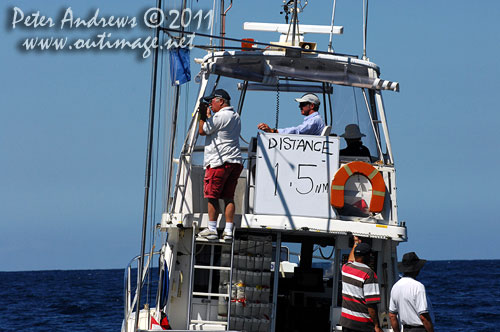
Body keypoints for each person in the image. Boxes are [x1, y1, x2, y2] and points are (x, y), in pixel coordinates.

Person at [197, 89, 243, 241]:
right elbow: (217, 127)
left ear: (221, 101)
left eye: (212, 101)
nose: (210, 104)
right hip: (234, 161)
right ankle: (228, 230)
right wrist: (211, 117)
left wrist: (202, 116)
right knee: (228, 197)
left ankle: (212, 229)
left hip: (219, 162)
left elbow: (203, 131)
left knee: (212, 196)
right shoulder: (235, 116)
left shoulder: (221, 115)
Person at [340, 237, 382, 332]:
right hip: (362, 325)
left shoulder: (345, 268)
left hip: (346, 322)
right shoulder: (369, 274)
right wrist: (377, 325)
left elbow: (350, 260)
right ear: (367, 257)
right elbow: (371, 304)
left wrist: (355, 243)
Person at [389, 252, 435, 332]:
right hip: (420, 329)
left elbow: (392, 315)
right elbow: (423, 316)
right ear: (417, 269)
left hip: (405, 329)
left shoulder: (395, 287)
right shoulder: (418, 286)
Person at [257, 93, 325, 135]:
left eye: (302, 104)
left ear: (312, 106)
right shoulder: (315, 119)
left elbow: (297, 131)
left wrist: (274, 131)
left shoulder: (315, 120)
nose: (299, 107)